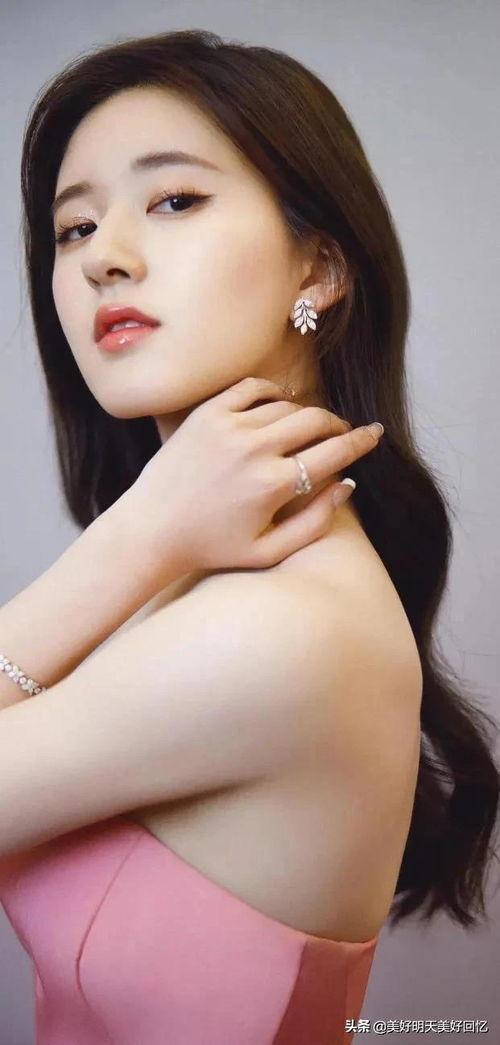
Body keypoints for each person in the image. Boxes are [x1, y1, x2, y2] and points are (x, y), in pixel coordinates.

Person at [0, 28, 498, 1045]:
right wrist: (149, 534)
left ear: (317, 266)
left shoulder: (275, 628)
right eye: (73, 227)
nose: (104, 256)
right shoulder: (200, 576)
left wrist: (136, 534)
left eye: (175, 200)